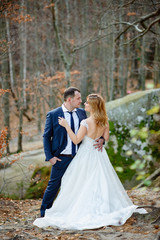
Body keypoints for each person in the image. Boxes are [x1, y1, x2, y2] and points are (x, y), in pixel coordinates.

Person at [34, 93, 147, 230]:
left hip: (84, 155)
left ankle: (81, 210)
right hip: (98, 155)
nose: (84, 104)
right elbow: (106, 137)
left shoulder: (85, 121)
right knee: (98, 182)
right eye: (82, 101)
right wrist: (101, 140)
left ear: (92, 106)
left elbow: (76, 140)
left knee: (79, 183)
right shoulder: (104, 120)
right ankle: (99, 208)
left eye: (87, 102)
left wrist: (67, 126)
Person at [40, 87, 103, 218]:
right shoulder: (53, 114)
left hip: (79, 157)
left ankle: (74, 212)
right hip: (61, 157)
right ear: (70, 99)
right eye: (78, 98)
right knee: (54, 185)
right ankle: (44, 212)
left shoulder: (81, 113)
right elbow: (46, 136)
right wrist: (50, 157)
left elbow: (92, 129)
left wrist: (102, 139)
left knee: (78, 186)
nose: (80, 100)